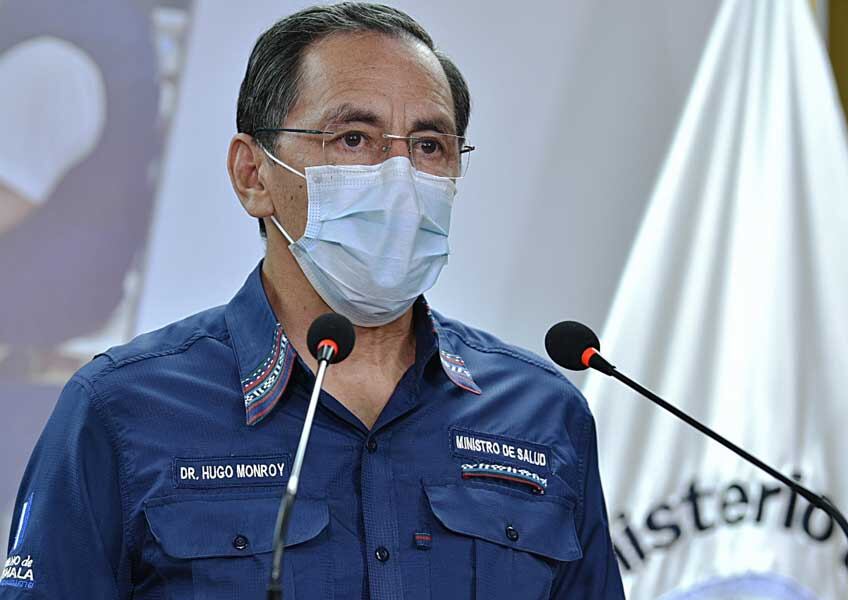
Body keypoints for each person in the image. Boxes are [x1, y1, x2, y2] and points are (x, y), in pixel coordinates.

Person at [0, 3, 625, 598]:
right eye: (353, 138)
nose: (400, 176)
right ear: (253, 175)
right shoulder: (123, 408)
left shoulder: (542, 415)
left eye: (429, 146)